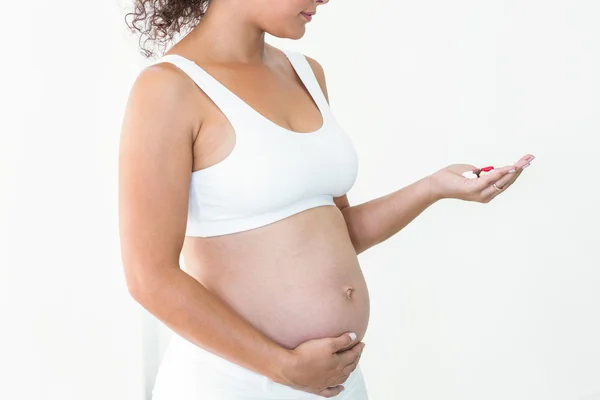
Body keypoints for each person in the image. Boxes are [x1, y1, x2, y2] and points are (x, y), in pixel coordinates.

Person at [118, 0, 535, 398]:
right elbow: (149, 277)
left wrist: (433, 188)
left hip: (336, 383)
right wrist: (283, 366)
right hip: (235, 384)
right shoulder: (168, 89)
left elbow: (339, 230)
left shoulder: (306, 73)